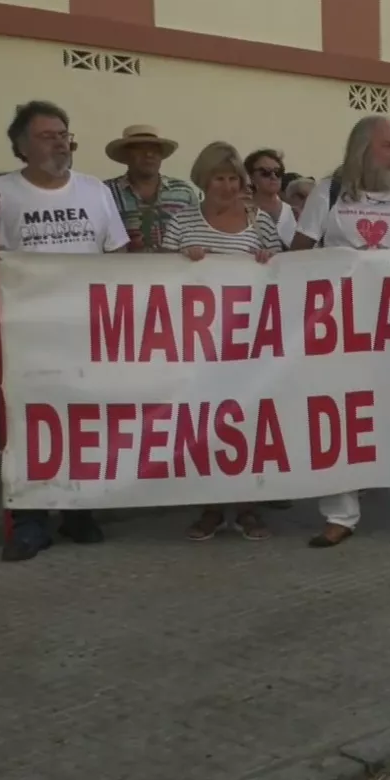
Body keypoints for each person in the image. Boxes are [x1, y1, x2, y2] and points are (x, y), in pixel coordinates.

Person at [0, 101, 131, 561]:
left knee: (86, 420)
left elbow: (117, 260)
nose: (59, 141)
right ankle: (31, 519)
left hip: (87, 330)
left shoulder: (94, 191)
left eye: (63, 133)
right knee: (30, 425)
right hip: (26, 331)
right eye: (47, 134)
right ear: (21, 145)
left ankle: (79, 509)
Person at [294, 116, 390, 548]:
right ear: (363, 148)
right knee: (339, 416)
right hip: (339, 332)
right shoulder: (329, 194)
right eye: (389, 146)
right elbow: (300, 255)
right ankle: (340, 514)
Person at [161, 142, 285, 542]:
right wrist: (184, 258)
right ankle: (211, 506)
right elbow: (160, 275)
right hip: (200, 346)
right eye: (220, 178)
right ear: (204, 180)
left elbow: (284, 272)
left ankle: (248, 507)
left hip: (249, 343)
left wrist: (269, 257)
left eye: (234, 178)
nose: (228, 186)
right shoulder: (182, 221)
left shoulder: (260, 220)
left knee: (248, 421)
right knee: (204, 423)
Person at [104, 124, 198, 253]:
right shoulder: (105, 193)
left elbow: (197, 235)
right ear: (126, 155)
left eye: (155, 149)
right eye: (139, 149)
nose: (149, 154)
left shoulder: (183, 193)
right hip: (122, 271)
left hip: (175, 271)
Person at [244, 148, 297, 248]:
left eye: (278, 172)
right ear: (250, 177)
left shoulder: (293, 212)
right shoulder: (241, 210)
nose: (273, 177)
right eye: (265, 172)